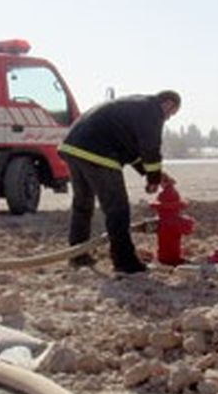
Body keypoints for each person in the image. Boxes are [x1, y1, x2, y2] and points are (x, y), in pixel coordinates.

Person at [58, 90, 181, 274]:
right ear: (168, 104)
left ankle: (78, 255)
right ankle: (125, 262)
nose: (168, 118)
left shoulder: (136, 106)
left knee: (82, 205)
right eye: (171, 113)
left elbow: (131, 152)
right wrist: (153, 178)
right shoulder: (152, 111)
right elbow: (150, 148)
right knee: (118, 209)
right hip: (97, 152)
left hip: (73, 147)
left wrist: (155, 173)